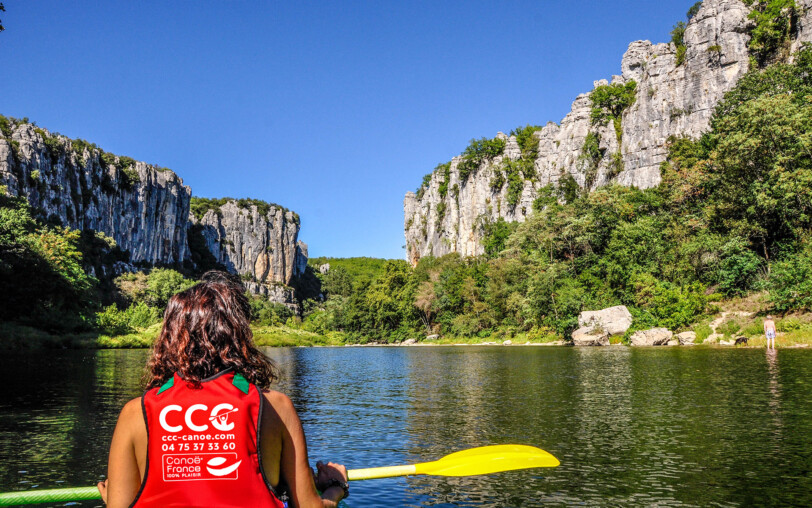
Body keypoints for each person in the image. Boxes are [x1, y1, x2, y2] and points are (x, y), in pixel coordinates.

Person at [97, 271, 348, 507]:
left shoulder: (134, 412)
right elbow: (309, 506)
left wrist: (114, 500)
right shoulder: (277, 407)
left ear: (170, 338)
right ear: (238, 336)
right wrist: (336, 487)